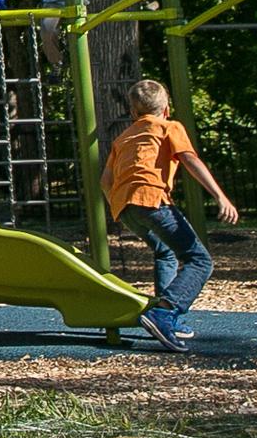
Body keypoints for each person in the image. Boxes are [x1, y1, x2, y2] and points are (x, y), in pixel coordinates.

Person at [101, 79, 239, 352]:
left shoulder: (123, 137)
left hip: (126, 207)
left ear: (133, 112)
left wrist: (119, 204)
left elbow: (106, 180)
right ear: (166, 109)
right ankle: (164, 313)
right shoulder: (169, 127)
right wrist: (220, 196)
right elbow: (190, 159)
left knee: (164, 251)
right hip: (152, 200)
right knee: (199, 261)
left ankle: (166, 321)